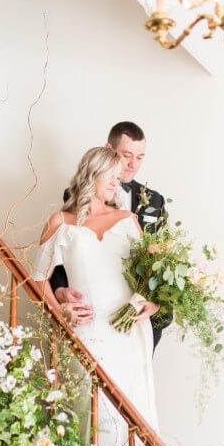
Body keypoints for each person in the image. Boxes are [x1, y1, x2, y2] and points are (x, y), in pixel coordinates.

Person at [31, 147, 160, 446]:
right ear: (91, 174)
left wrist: (152, 304)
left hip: (127, 332)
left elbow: (152, 279)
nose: (117, 183)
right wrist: (60, 310)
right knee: (91, 413)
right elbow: (36, 280)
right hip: (86, 333)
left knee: (129, 414)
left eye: (120, 178)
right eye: (111, 176)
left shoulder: (129, 221)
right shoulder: (61, 222)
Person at [50, 121, 170, 349]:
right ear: (108, 150)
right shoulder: (76, 195)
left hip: (139, 320)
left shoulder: (155, 201)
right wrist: (59, 290)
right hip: (93, 316)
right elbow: (65, 249)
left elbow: (162, 261)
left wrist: (156, 305)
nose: (133, 164)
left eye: (140, 157)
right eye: (127, 155)